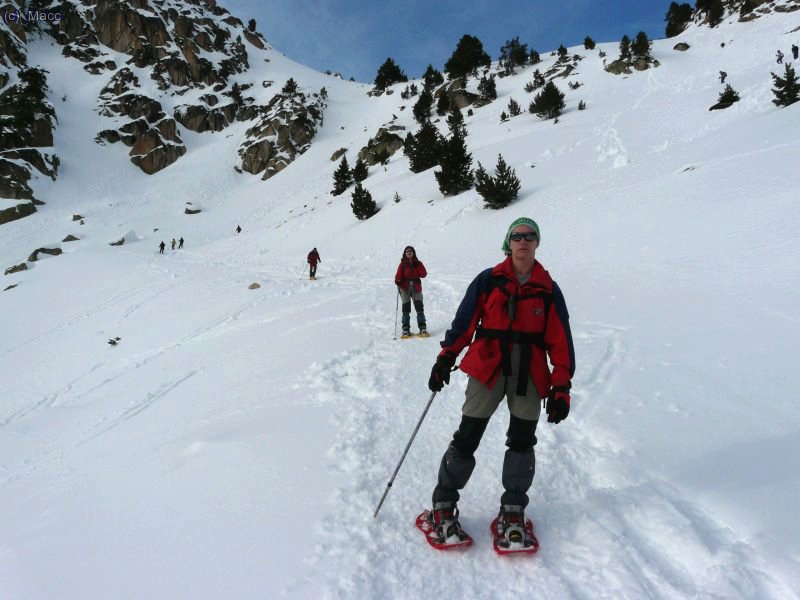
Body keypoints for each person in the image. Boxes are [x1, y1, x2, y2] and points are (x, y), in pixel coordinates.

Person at [424, 217, 575, 547]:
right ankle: (443, 504)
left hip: (529, 372)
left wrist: (561, 386)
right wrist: (446, 357)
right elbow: (464, 323)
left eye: (530, 235)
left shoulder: (548, 289)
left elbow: (560, 341)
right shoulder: (488, 280)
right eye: (517, 235)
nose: (523, 240)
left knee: (522, 441)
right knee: (468, 436)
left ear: (537, 242)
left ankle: (513, 510)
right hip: (488, 365)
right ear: (509, 242)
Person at [394, 246, 428, 337]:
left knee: (419, 307)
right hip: (405, 288)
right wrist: (397, 280)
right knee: (406, 308)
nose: (409, 252)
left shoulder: (418, 263)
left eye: (410, 251)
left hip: (416, 287)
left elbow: (424, 274)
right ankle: (405, 330)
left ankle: (423, 328)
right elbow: (398, 276)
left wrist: (418, 266)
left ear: (413, 253)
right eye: (407, 251)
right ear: (405, 253)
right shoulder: (402, 264)